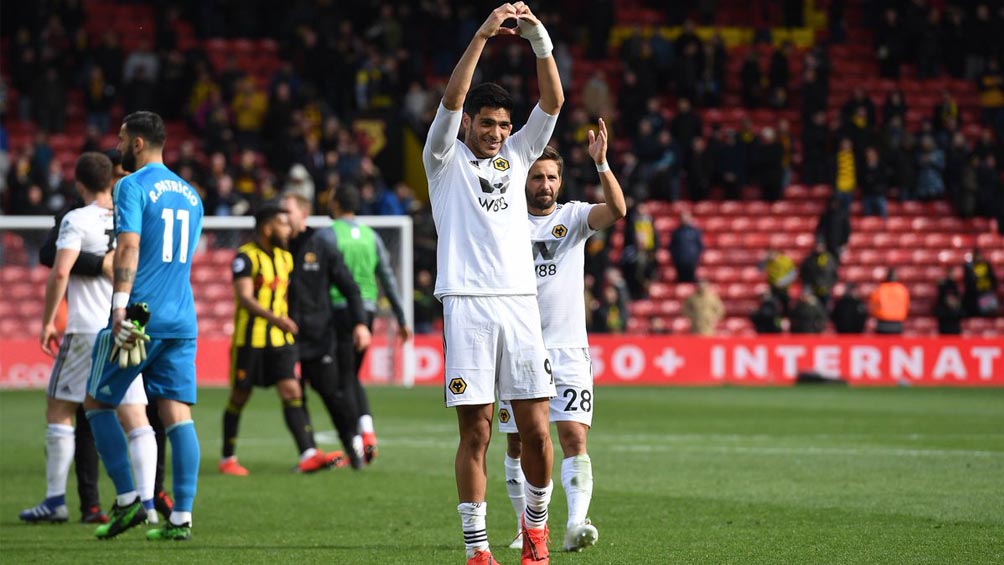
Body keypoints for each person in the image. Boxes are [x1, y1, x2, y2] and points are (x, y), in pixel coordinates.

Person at [422, 4, 562, 563]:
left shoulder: (520, 154)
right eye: (488, 124)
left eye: (504, 125)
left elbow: (552, 102)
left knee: (536, 430)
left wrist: (539, 39)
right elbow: (452, 99)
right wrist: (482, 34)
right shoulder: (443, 159)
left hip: (519, 304)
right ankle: (477, 548)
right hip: (466, 304)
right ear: (469, 124)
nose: (498, 134)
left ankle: (535, 529)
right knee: (476, 432)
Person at [498, 121, 626, 554]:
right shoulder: (504, 220)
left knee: (573, 437)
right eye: (537, 176)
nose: (545, 184)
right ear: (524, 180)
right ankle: (526, 526)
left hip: (568, 349)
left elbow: (617, 210)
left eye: (552, 177)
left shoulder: (572, 217)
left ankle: (575, 524)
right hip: (518, 348)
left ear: (561, 181)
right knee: (518, 442)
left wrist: (601, 163)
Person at [20, 153, 158, 526]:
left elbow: (59, 272)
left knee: (59, 408)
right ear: (112, 179)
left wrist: (48, 321)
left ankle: (55, 500)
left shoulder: (77, 219)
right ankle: (147, 505)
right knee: (136, 417)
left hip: (85, 328)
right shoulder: (133, 218)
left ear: (79, 183)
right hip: (126, 325)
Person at [83, 111, 202, 541]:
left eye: (120, 140)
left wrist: (120, 306)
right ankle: (181, 518)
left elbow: (129, 246)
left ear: (137, 142)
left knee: (96, 402)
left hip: (140, 316)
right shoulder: (192, 196)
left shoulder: (130, 185)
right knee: (177, 415)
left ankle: (128, 499)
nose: (117, 148)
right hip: (182, 318)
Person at [220, 201, 345, 476]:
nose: (288, 230)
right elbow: (245, 298)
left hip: (280, 340)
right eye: (282, 224)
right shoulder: (245, 257)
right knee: (239, 396)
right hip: (249, 340)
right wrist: (277, 319)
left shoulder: (285, 258)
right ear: (267, 228)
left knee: (292, 391)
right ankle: (227, 458)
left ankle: (308, 454)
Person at [282, 191, 371, 470]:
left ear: (303, 214)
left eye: (287, 212)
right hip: (282, 335)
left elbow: (350, 288)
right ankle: (308, 453)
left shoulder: (320, 245)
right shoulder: (274, 247)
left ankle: (352, 444)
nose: (282, 218)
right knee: (290, 391)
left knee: (332, 394)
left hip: (318, 335)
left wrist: (360, 323)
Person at [328, 185, 412, 464]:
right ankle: (367, 433)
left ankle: (354, 444)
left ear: (336, 204)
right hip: (367, 312)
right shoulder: (371, 236)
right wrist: (401, 318)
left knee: (341, 379)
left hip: (338, 309)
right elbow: (388, 279)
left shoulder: (328, 235)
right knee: (351, 376)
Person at [869, 269, 910, 334]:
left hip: (882, 323)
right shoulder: (902, 290)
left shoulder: (880, 289)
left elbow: (873, 306)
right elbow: (906, 305)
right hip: (897, 324)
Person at [962, 248, 1000, 317]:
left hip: (987, 292)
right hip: (975, 295)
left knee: (990, 313)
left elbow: (992, 278)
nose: (978, 257)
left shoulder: (986, 265)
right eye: (977, 256)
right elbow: (968, 282)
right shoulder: (969, 267)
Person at [668, 211, 703, 283]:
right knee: (680, 281)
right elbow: (672, 247)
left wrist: (695, 256)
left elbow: (700, 246)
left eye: (687, 218)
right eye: (683, 218)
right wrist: (675, 258)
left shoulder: (695, 231)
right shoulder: (676, 232)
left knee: (691, 281)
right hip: (679, 262)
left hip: (692, 261)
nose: (685, 220)